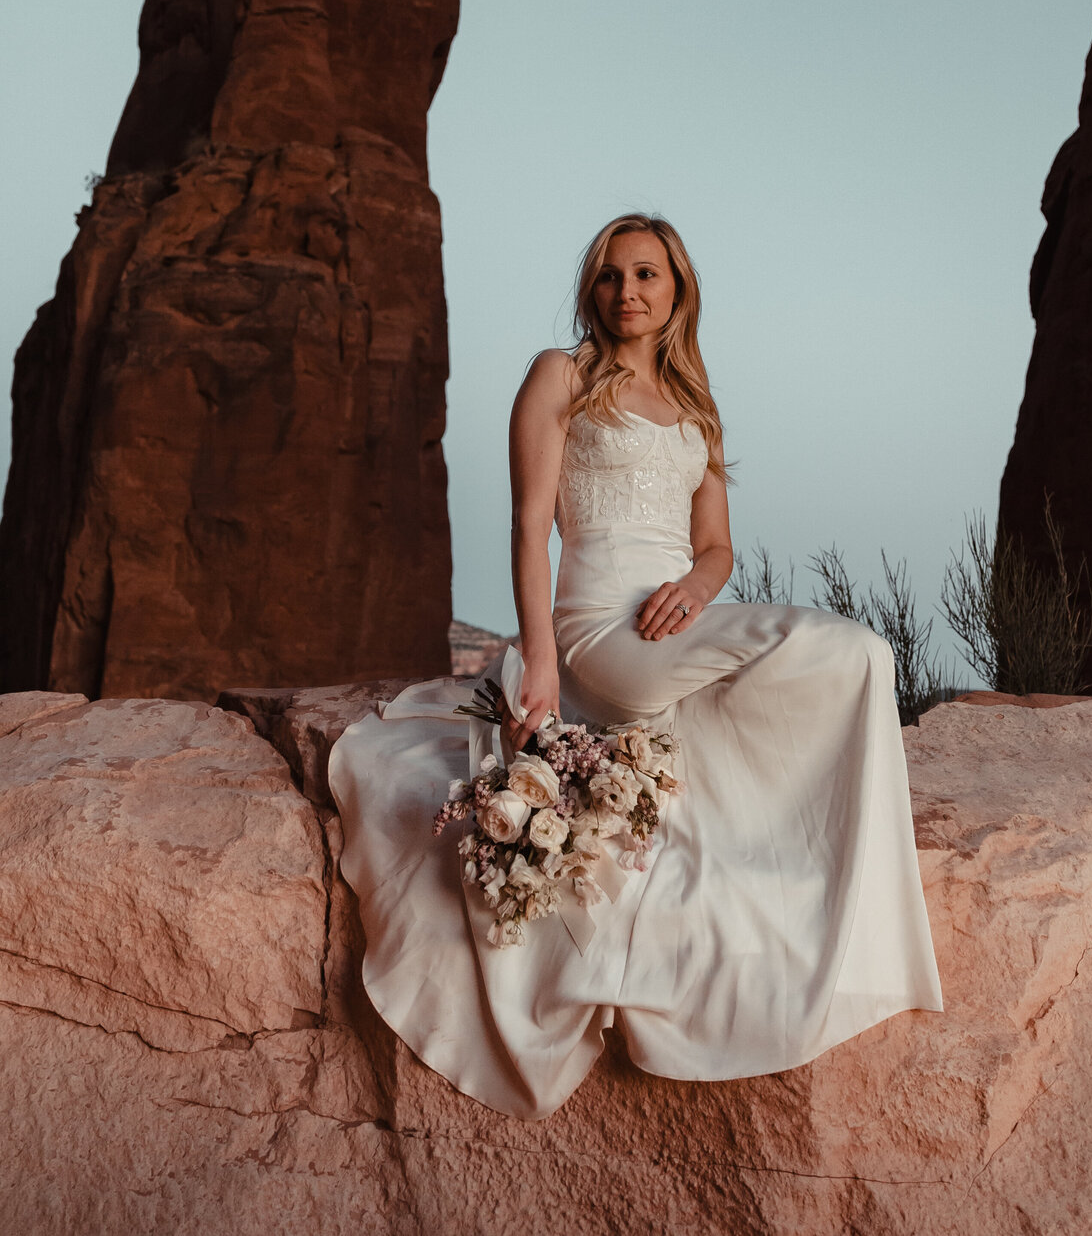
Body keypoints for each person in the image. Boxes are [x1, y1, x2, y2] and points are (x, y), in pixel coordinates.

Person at [328, 212, 943, 1121]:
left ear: (678, 290)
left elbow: (718, 547)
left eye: (648, 274)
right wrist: (539, 656)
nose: (629, 292)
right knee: (854, 650)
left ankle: (836, 888)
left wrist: (697, 585)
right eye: (612, 276)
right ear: (593, 289)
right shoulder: (560, 377)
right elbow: (528, 524)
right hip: (597, 629)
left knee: (855, 657)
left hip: (677, 619)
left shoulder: (697, 408)